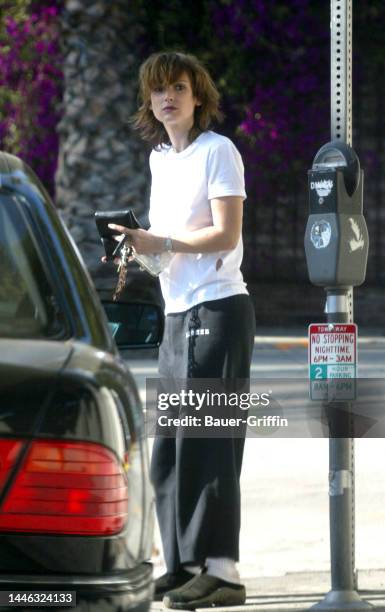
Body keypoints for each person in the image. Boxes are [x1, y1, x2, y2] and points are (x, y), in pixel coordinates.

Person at [109, 51, 256, 610]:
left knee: (209, 445)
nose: (168, 96)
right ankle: (183, 565)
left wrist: (162, 243)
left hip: (218, 310)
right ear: (149, 102)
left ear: (198, 98)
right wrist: (138, 248)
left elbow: (224, 235)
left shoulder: (219, 152)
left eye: (179, 88)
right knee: (170, 448)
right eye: (159, 89)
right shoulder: (159, 161)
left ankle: (223, 573)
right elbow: (165, 253)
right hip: (176, 312)